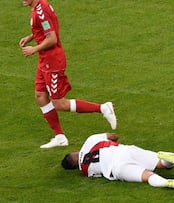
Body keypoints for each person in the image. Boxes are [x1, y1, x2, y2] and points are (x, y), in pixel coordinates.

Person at [19, 0, 117, 148]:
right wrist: (31, 36)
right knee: (40, 96)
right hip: (44, 60)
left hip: (52, 62)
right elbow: (46, 28)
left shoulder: (41, 10)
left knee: (59, 103)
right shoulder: (39, 6)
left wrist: (34, 49)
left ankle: (103, 108)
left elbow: (52, 38)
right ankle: (59, 137)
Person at [61, 133, 174, 189]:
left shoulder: (85, 170)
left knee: (146, 176)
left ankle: (165, 182)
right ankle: (167, 162)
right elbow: (113, 136)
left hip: (117, 168)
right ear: (76, 151)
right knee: (158, 163)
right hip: (123, 151)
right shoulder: (90, 140)